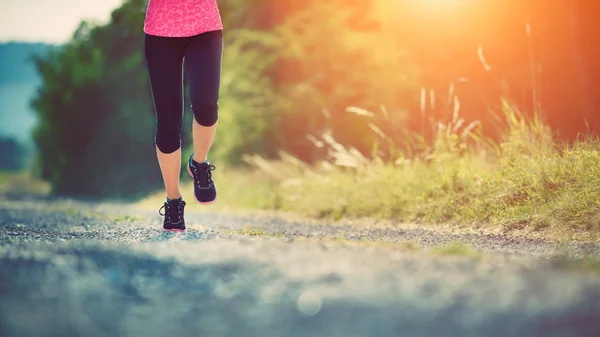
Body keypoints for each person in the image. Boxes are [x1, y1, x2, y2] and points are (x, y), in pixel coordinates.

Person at [143, 0, 223, 232]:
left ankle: (199, 162)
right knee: (168, 123)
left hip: (205, 28)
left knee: (206, 105)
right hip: (160, 32)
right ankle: (173, 201)